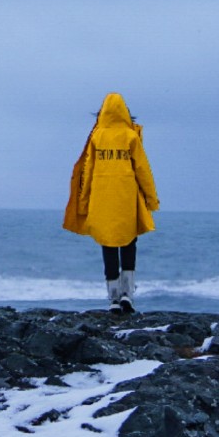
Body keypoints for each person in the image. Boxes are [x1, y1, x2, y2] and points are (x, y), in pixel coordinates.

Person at [62, 92, 160, 312]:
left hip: (102, 199)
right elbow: (143, 170)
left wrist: (84, 201)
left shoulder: (97, 137)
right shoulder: (130, 137)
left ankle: (113, 298)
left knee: (108, 245)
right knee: (128, 243)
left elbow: (87, 171)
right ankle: (128, 294)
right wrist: (151, 200)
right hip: (126, 199)